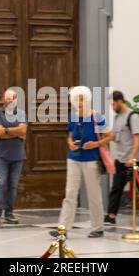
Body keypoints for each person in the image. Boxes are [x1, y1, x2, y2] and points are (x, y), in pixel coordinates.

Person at [50, 86, 113, 239]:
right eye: (77, 99)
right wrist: (70, 143)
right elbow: (70, 135)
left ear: (87, 99)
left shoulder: (97, 117)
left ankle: (98, 227)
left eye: (82, 98)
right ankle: (63, 228)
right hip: (73, 158)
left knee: (94, 194)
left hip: (91, 159)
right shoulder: (72, 117)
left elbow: (109, 136)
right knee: (70, 194)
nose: (79, 102)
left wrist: (95, 144)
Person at [104, 91, 139, 226]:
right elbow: (116, 137)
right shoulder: (117, 118)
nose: (112, 107)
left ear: (119, 101)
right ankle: (111, 216)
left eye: (113, 104)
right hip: (121, 159)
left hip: (136, 159)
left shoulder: (133, 117)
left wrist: (133, 158)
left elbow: (137, 137)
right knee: (116, 187)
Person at [0, 89, 27, 226]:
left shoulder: (21, 113)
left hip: (17, 156)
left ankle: (9, 214)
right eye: (8, 98)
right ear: (3, 100)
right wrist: (15, 132)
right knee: (0, 184)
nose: (10, 100)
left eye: (13, 98)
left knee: (13, 186)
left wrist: (6, 130)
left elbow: (23, 131)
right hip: (1, 156)